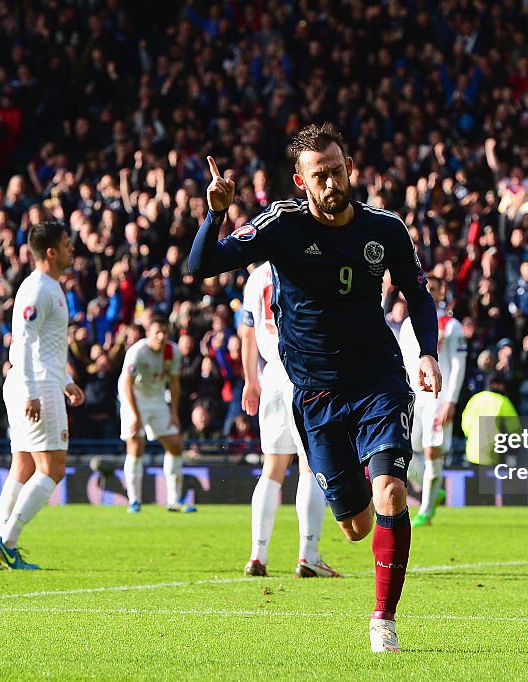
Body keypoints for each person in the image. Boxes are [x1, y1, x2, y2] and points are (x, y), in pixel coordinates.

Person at [188, 123, 441, 653]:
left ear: (350, 167)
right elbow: (202, 266)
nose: (332, 182)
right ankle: (371, 520)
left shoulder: (385, 229)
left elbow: (418, 295)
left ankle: (382, 620)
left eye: (338, 169)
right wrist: (215, 215)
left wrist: (426, 353)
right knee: (354, 526)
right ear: (302, 182)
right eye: (320, 175)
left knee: (391, 489)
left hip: (378, 381)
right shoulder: (281, 224)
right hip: (317, 394)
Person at [0, 221, 85, 570]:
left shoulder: (50, 287)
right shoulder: (39, 290)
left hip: (39, 380)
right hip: (35, 386)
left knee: (25, 465)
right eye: (67, 243)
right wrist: (34, 391)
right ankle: (7, 541)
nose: (71, 248)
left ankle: (1, 545)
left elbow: (47, 348)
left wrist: (67, 379)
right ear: (50, 251)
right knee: (53, 468)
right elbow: (25, 344)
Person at [239, 261, 339, 578]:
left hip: (270, 374)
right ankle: (308, 554)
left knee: (273, 466)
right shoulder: (306, 265)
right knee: (310, 463)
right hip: (303, 373)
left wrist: (250, 381)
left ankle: (258, 555)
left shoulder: (255, 277)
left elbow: (248, 334)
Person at [397, 276, 467, 528]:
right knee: (404, 452)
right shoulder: (406, 325)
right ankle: (432, 485)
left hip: (439, 397)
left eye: (433, 289)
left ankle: (426, 512)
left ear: (441, 293)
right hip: (413, 398)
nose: (427, 292)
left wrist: (451, 401)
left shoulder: (451, 325)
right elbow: (404, 362)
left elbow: (458, 366)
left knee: (431, 450)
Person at [118, 316, 194, 514]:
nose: (161, 337)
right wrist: (134, 415)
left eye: (164, 333)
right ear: (148, 334)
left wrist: (173, 412)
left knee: (175, 444)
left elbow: (175, 383)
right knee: (136, 444)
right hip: (134, 398)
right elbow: (127, 384)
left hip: (158, 399)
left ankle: (174, 500)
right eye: (157, 333)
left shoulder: (172, 351)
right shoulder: (137, 352)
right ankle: (134, 500)